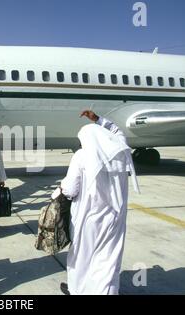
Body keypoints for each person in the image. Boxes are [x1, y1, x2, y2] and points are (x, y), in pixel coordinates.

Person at [58, 110, 140, 295]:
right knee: (109, 259)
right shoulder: (120, 150)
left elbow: (70, 189)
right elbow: (118, 132)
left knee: (81, 257)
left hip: (88, 218)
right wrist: (99, 120)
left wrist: (60, 189)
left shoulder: (81, 156)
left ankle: (77, 290)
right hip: (115, 218)